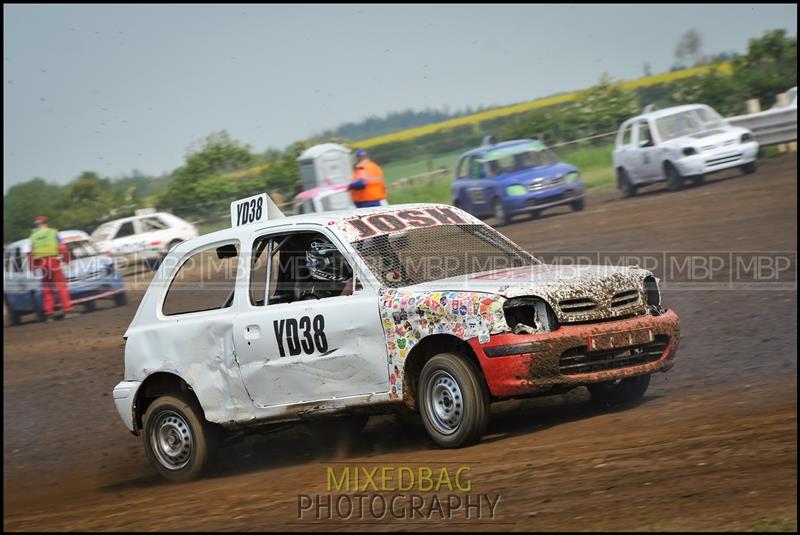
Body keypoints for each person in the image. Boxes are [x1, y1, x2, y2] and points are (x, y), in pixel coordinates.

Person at [28, 215, 78, 321]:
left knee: (47, 289)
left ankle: (49, 314)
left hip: (42, 264)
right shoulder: (53, 232)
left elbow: (31, 253)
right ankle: (68, 311)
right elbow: (62, 247)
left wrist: (32, 267)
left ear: (36, 225)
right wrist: (66, 260)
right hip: (53, 261)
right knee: (61, 286)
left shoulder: (33, 236)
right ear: (46, 223)